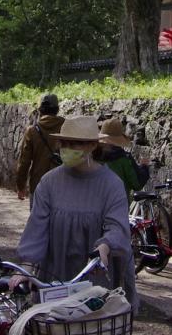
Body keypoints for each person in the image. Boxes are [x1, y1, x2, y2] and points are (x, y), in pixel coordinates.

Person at [13, 115, 137, 309]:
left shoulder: (112, 185)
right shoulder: (49, 183)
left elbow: (117, 227)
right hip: (53, 281)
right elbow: (36, 229)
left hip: (94, 284)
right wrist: (26, 268)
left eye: (76, 143)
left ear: (92, 146)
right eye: (65, 143)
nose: (69, 148)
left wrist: (104, 247)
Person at [13, 93, 64, 200]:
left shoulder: (32, 131)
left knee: (37, 216)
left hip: (38, 184)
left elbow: (24, 162)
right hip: (62, 184)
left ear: (40, 110)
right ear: (57, 109)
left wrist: (21, 185)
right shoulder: (67, 128)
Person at [94, 117, 145, 194]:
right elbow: (137, 184)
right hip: (119, 203)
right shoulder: (124, 159)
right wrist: (144, 167)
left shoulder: (90, 156)